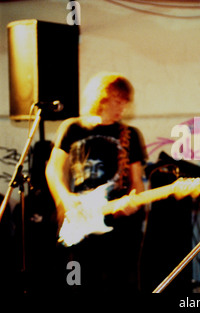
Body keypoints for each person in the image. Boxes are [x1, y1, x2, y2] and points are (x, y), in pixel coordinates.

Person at [45, 72, 148, 293]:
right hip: (80, 222)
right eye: (117, 101)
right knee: (75, 283)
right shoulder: (73, 128)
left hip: (119, 228)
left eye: (125, 103)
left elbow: (137, 181)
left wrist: (135, 203)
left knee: (118, 286)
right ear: (102, 98)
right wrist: (65, 199)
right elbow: (53, 168)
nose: (122, 108)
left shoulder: (131, 134)